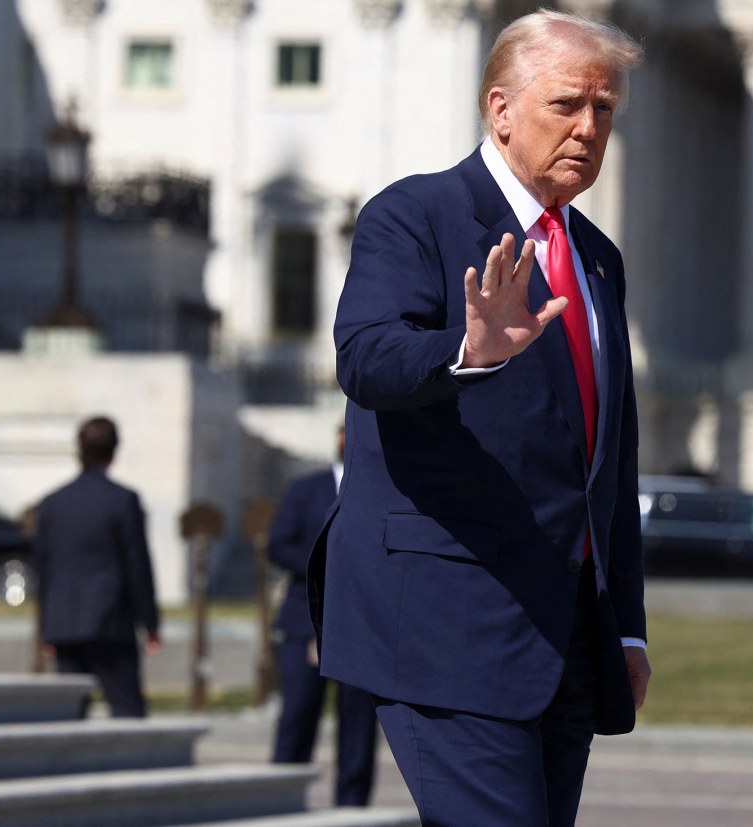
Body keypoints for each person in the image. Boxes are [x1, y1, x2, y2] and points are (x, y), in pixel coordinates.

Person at [309, 9, 650, 826]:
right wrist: (469, 349)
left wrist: (627, 629)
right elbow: (365, 358)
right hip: (446, 622)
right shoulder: (415, 215)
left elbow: (611, 459)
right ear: (501, 110)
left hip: (566, 637)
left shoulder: (598, 257)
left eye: (603, 110)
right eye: (566, 105)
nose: (588, 128)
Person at [269, 423, 377, 807]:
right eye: (344, 432)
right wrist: (325, 566)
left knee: (358, 727)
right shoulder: (306, 489)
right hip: (305, 622)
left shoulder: (383, 488)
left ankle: (352, 807)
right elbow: (278, 544)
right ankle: (281, 800)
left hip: (361, 625)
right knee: (296, 717)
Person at [34, 416, 161, 718]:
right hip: (110, 622)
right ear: (114, 451)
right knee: (128, 709)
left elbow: (44, 568)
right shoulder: (122, 501)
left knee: (69, 712)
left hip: (64, 622)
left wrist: (45, 629)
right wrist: (151, 623)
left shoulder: (52, 503)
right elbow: (137, 565)